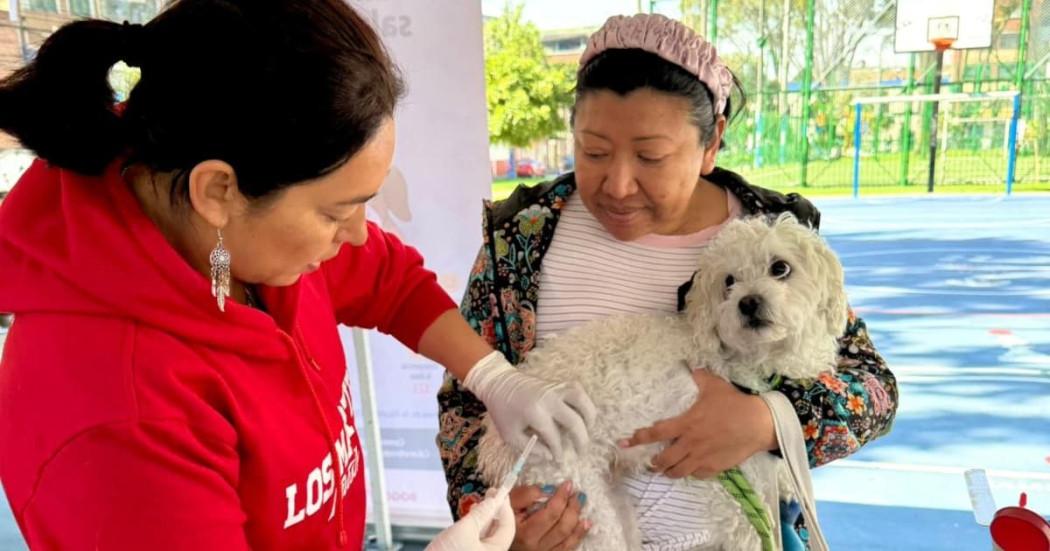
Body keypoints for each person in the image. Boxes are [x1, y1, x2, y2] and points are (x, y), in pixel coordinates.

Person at [0, 1, 596, 549]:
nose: (361, 234)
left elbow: (391, 282)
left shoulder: (236, 231)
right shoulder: (113, 417)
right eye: (336, 211)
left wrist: (494, 377)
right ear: (218, 190)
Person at [437, 14, 899, 551]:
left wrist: (766, 421)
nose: (618, 184)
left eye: (650, 156)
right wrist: (491, 514)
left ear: (712, 143)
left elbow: (872, 389)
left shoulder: (765, 240)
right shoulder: (521, 239)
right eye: (593, 151)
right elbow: (464, 405)